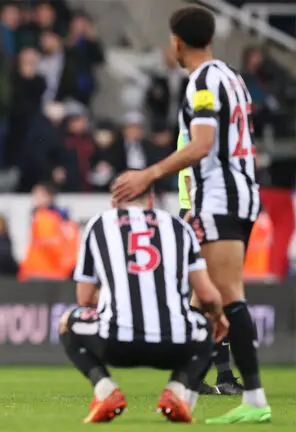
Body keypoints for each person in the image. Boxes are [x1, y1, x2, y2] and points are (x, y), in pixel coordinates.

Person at [111, 5, 271, 424]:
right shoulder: (233, 77)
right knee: (202, 297)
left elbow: (201, 144)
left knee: (225, 295)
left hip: (218, 198)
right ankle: (186, 393)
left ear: (178, 41)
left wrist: (149, 173)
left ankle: (252, 399)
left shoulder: (202, 81)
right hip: (239, 194)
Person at [62, 186, 228, 423]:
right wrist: (219, 315)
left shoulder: (99, 224)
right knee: (207, 325)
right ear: (151, 200)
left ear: (114, 202)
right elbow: (208, 296)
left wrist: (116, 297)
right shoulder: (178, 226)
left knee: (67, 322)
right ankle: (177, 390)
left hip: (115, 342)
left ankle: (105, 389)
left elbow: (84, 299)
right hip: (173, 344)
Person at [177, 130, 239, 396]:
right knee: (208, 295)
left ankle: (208, 374)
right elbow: (191, 173)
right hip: (200, 213)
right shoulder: (195, 129)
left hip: (208, 213)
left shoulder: (205, 127)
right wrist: (196, 210)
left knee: (212, 296)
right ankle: (195, 374)